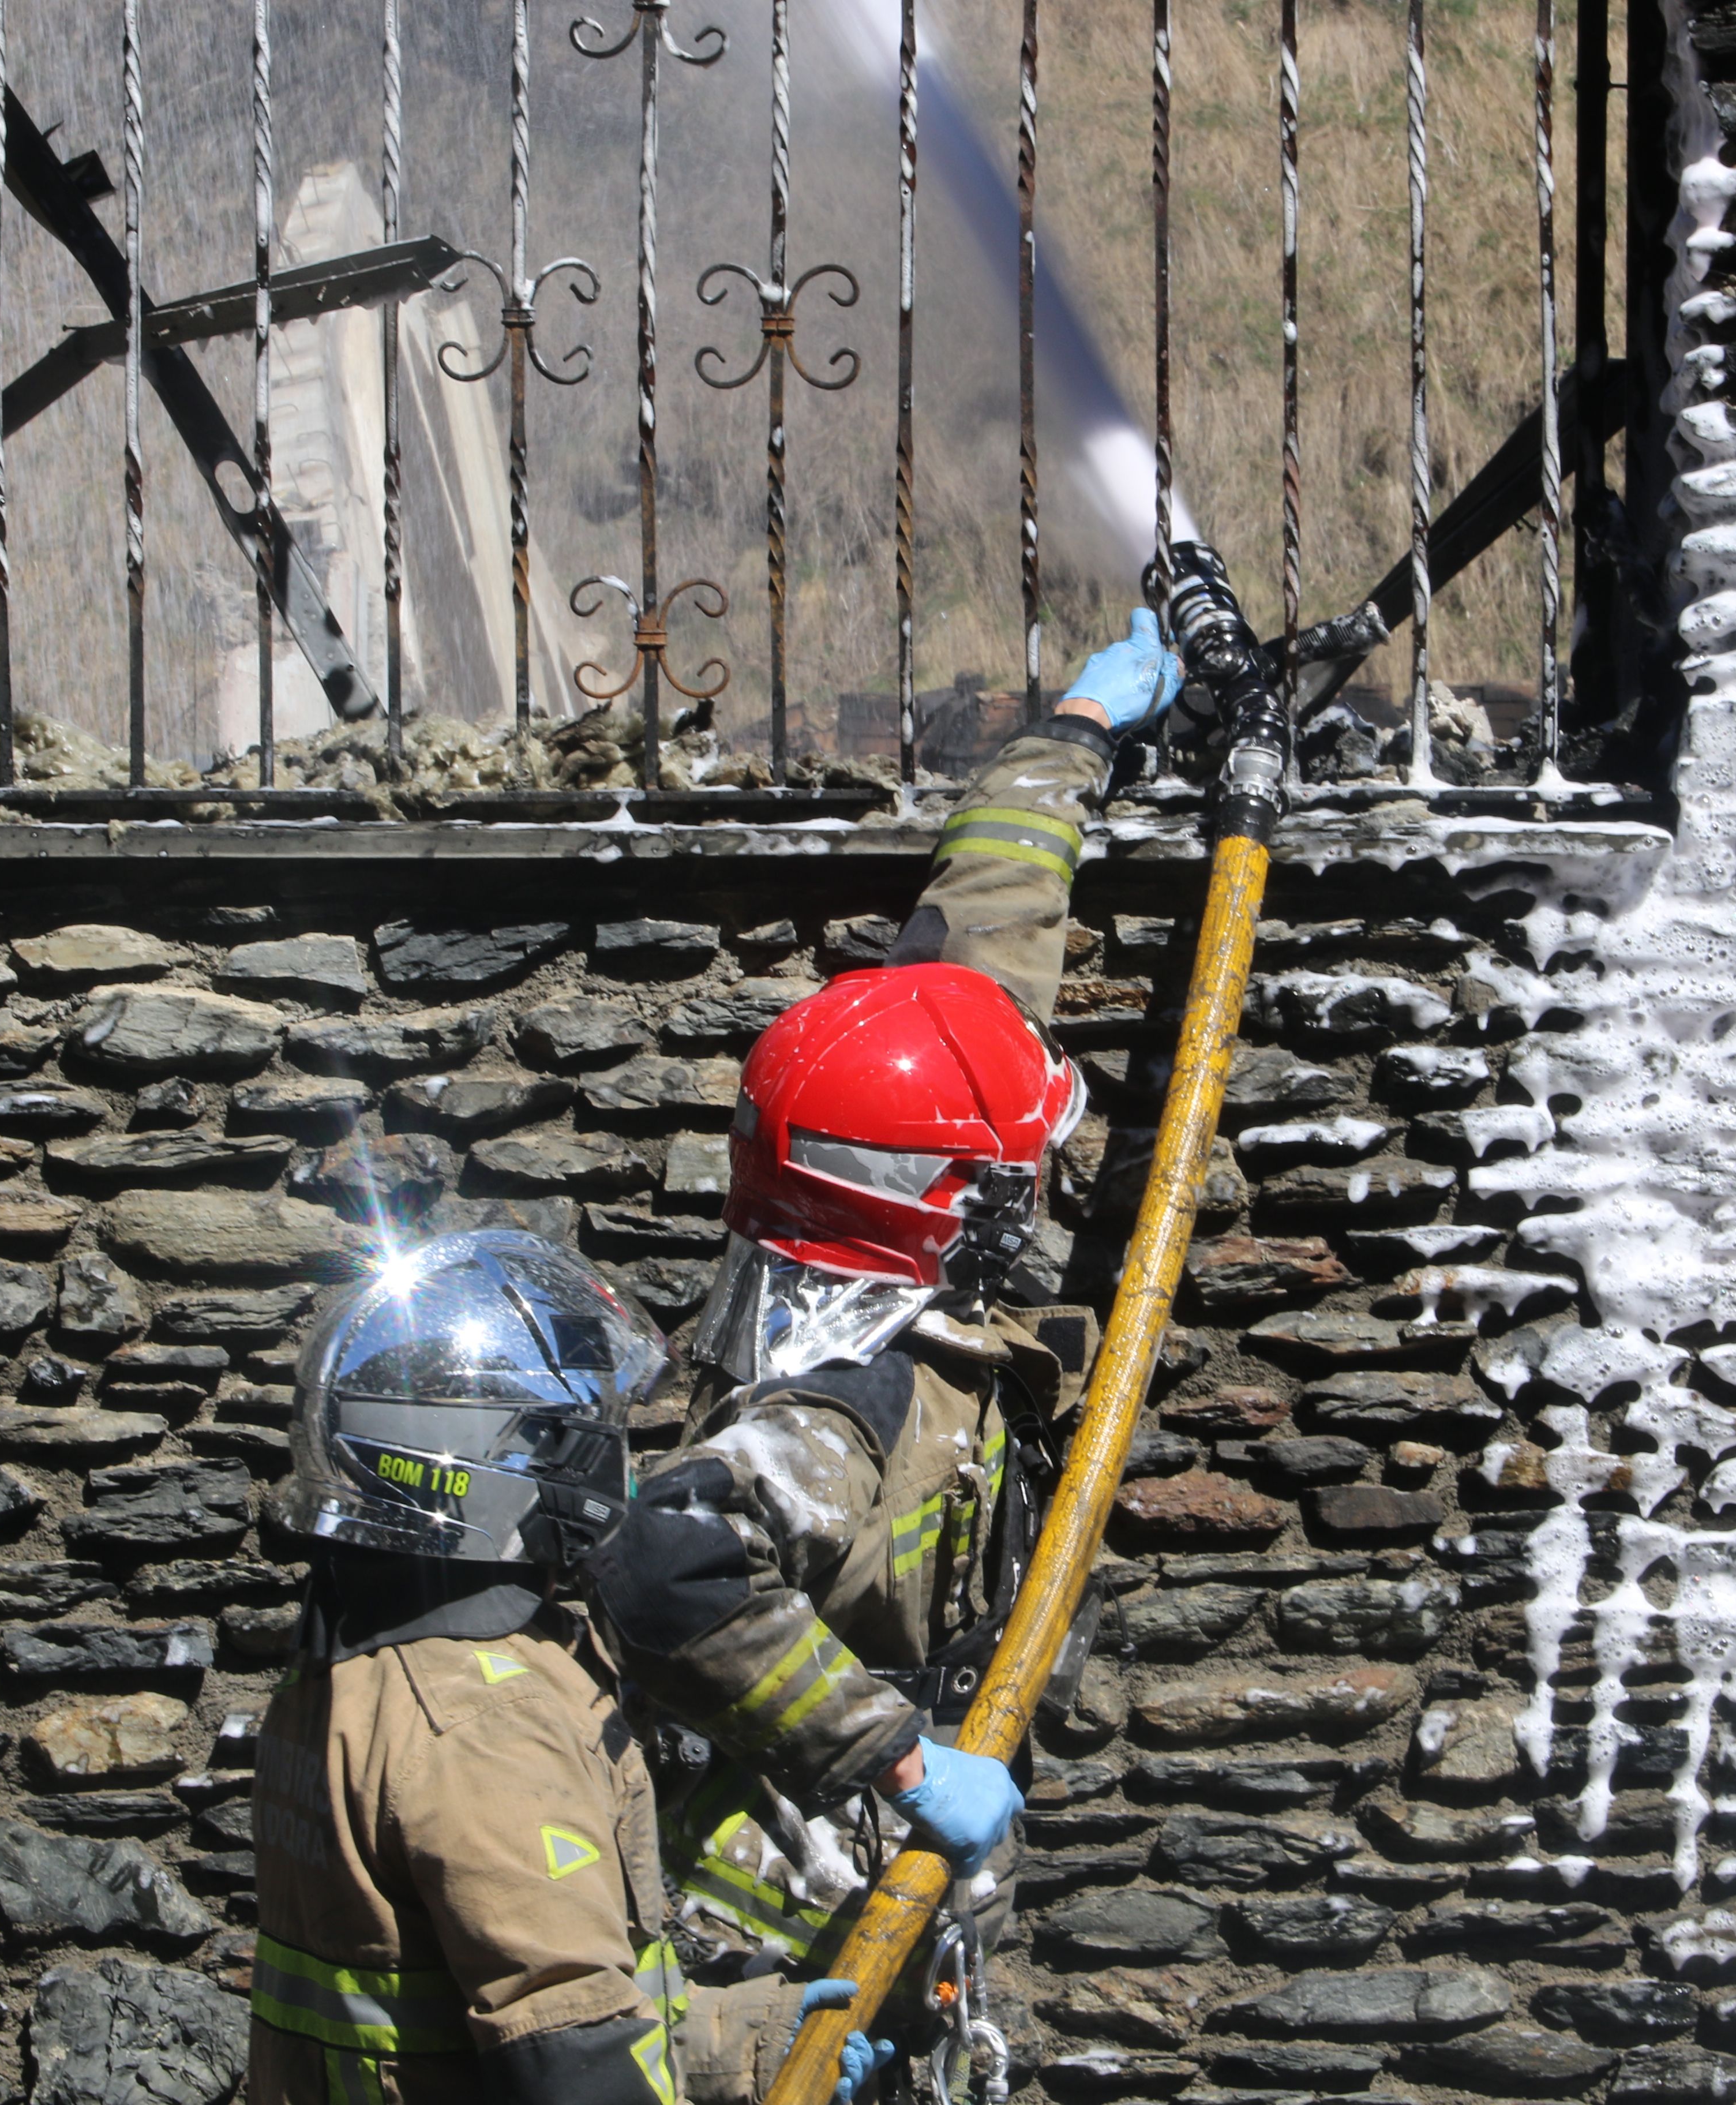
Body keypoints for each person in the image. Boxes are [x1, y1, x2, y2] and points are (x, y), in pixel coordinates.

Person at [579, 616, 1187, 1980]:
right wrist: (905, 1760)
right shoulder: (852, 1396)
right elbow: (666, 1565)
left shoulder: (886, 1108)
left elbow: (990, 917)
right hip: (794, 1918)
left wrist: (1080, 732)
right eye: (1011, 1174)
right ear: (953, 1204)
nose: (1033, 1181)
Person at [248, 1228, 896, 2105]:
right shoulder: (486, 1727)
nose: (604, 1456)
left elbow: (469, 2003)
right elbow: (572, 2064)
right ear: (476, 1461)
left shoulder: (353, 1657)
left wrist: (745, 2047)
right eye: (571, 1431)